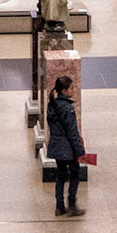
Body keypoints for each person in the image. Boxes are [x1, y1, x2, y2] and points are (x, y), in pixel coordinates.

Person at [46, 74, 87, 217]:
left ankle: (59, 206)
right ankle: (72, 205)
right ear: (64, 90)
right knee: (75, 174)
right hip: (68, 148)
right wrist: (80, 151)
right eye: (70, 88)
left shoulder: (51, 105)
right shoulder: (68, 109)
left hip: (56, 146)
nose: (73, 90)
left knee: (60, 175)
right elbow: (72, 132)